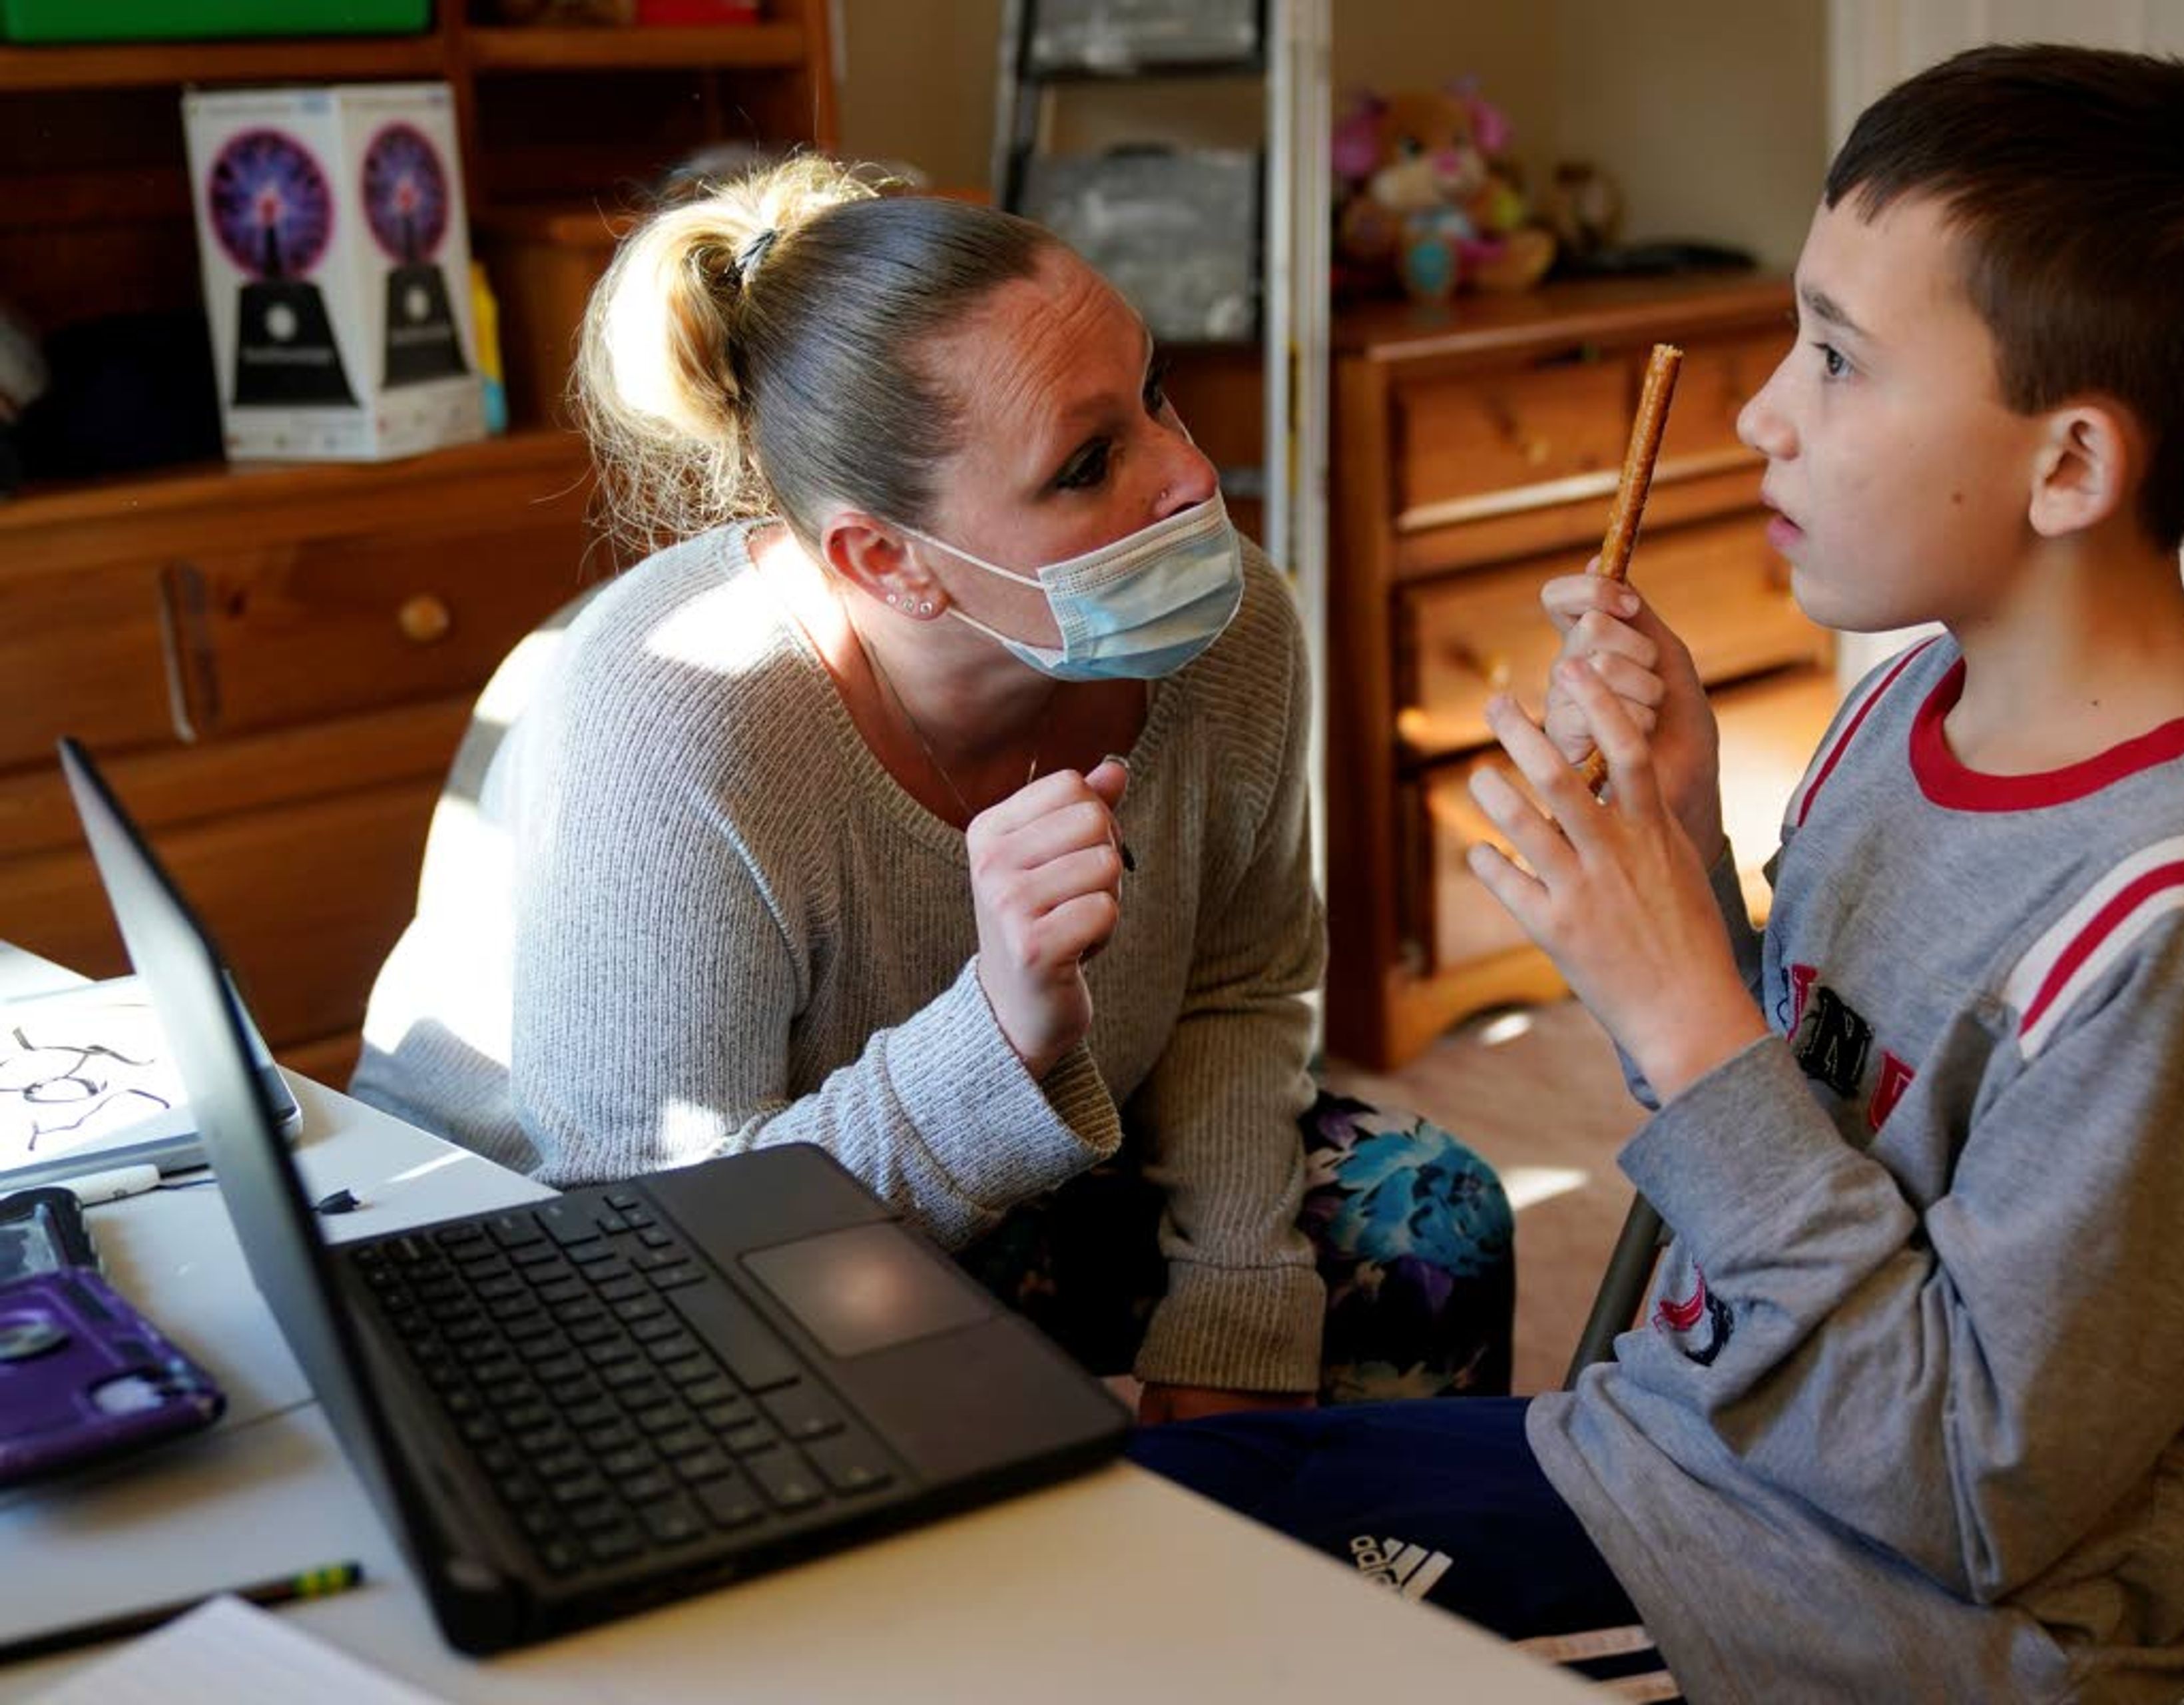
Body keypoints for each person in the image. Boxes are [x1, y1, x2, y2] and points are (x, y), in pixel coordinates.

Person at [1129, 44, 2184, 1701]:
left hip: (1861, 1616)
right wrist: (1683, 859)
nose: (1760, 414)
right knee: (1134, 1519)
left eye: (1838, 359)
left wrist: (1686, 1015)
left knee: (1155, 1634)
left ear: (2072, 466)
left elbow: (1973, 1489)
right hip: (1682, 1464)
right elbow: (1793, 1157)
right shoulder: (1907, 708)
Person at [352, 155, 1513, 1423]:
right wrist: (1000, 1030)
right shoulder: (674, 716)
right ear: (888, 562)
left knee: (1427, 1225)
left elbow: (1237, 987)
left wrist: (1232, 1314)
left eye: (1156, 395)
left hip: (981, 1179)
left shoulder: (1228, 631)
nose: (1189, 479)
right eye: (1088, 464)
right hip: (590, 1272)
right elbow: (660, 1236)